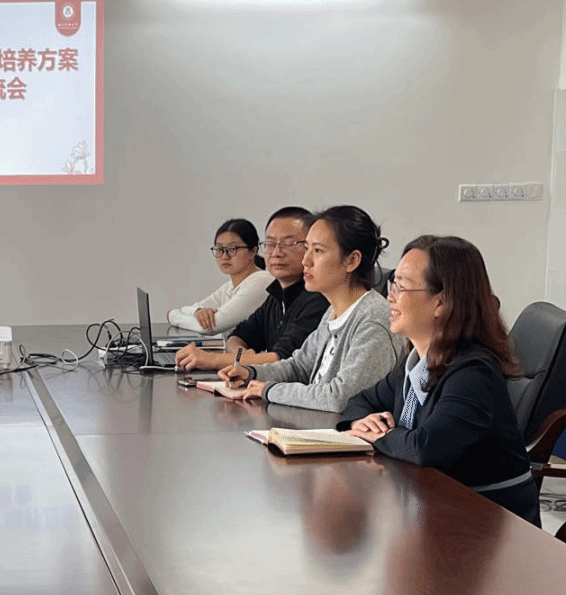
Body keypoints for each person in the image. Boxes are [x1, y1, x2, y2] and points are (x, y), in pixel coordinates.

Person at [336, 235, 538, 522]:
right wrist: (362, 422)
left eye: (401, 287)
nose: (389, 297)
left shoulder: (473, 372)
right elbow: (360, 401)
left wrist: (378, 435)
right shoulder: (417, 361)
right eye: (393, 283)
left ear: (441, 302)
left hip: (488, 523)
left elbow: (426, 448)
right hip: (433, 508)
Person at [216, 205, 400, 412]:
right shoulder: (333, 312)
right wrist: (251, 373)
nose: (306, 260)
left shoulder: (373, 319)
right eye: (307, 248)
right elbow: (299, 367)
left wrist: (268, 390)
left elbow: (340, 397)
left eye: (318, 251)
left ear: (352, 260)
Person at [174, 207, 327, 372]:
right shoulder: (276, 295)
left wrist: (212, 359)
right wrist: (241, 357)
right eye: (270, 244)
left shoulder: (318, 297)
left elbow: (283, 359)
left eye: (288, 243)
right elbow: (238, 336)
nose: (276, 252)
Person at [166, 218, 273, 337]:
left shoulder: (261, 282)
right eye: (219, 249)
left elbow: (210, 327)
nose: (224, 256)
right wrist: (198, 311)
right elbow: (189, 309)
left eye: (232, 249)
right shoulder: (229, 287)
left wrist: (171, 316)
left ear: (253, 251)